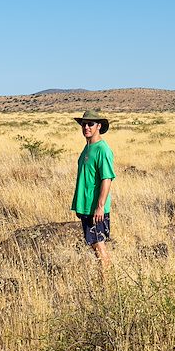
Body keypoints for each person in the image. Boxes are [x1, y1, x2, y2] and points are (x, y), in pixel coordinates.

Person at [71, 109, 115, 270]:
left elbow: (107, 178)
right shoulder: (88, 147)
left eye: (90, 124)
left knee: (99, 246)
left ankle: (107, 286)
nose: (86, 127)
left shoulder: (102, 149)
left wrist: (100, 206)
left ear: (99, 126)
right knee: (94, 245)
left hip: (95, 208)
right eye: (84, 124)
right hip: (86, 207)